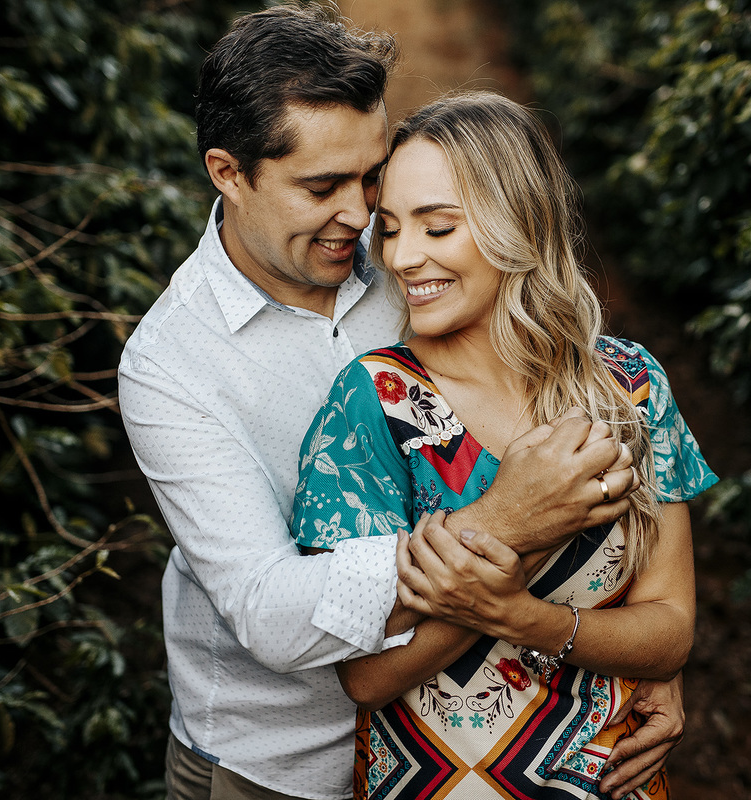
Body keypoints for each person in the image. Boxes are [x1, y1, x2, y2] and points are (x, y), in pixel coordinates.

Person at [118, 6, 685, 800]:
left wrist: (640, 657)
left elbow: (536, 361)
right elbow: (271, 612)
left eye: (371, 177)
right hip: (281, 762)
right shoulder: (171, 363)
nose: (360, 218)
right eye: (322, 186)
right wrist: (505, 525)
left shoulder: (408, 263)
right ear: (229, 172)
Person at [289, 92, 718, 800]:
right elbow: (365, 677)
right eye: (390, 229)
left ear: (518, 221)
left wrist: (523, 618)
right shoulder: (374, 403)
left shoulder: (631, 387)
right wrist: (520, 526)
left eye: (438, 227)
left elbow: (670, 631)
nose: (402, 256)